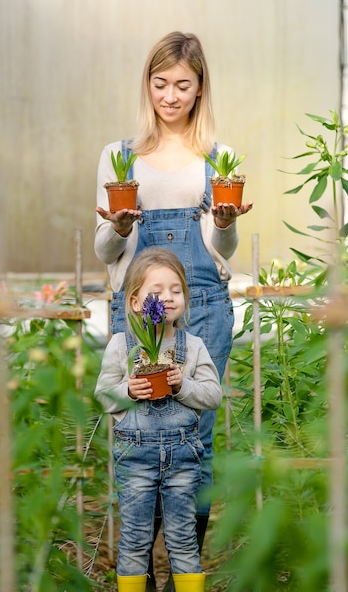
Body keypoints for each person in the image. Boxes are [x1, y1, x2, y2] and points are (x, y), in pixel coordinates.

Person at [94, 31, 253, 591]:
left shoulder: (218, 158)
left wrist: (227, 224)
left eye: (182, 85)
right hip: (136, 307)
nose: (170, 95)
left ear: (200, 87)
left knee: (194, 442)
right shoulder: (121, 156)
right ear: (148, 85)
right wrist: (117, 228)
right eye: (160, 83)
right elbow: (105, 251)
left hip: (203, 303)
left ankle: (182, 571)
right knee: (140, 436)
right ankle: (143, 572)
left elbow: (221, 250)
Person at [95, 247, 222, 592]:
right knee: (135, 538)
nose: (167, 297)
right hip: (135, 459)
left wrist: (184, 385)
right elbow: (103, 396)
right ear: (136, 302)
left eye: (176, 290)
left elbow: (213, 396)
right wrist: (129, 390)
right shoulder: (121, 346)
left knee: (183, 539)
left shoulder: (192, 346)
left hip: (182, 458)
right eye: (156, 292)